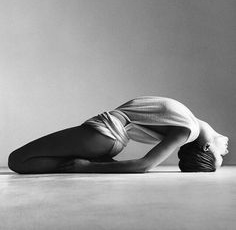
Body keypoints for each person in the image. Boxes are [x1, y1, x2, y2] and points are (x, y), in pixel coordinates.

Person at [8, 96, 229, 174]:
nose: (225, 150)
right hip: (107, 136)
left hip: (106, 135)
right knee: (23, 162)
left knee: (17, 160)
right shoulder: (191, 123)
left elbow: (144, 165)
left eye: (220, 156)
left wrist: (88, 168)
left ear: (206, 148)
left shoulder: (186, 130)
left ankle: (78, 163)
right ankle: (73, 163)